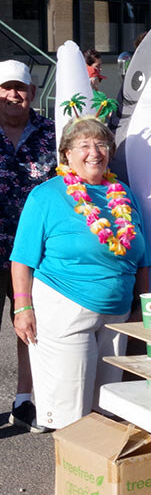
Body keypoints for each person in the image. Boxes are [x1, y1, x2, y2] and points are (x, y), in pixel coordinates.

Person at [10, 116, 150, 431]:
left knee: (107, 407)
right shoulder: (46, 195)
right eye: (83, 145)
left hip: (117, 315)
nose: (94, 152)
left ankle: (99, 476)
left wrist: (141, 307)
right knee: (71, 412)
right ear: (67, 155)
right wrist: (22, 307)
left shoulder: (123, 194)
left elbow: (143, 256)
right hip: (66, 310)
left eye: (101, 144)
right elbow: (22, 259)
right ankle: (75, 477)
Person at [0, 60, 57, 432]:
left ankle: (25, 401)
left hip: (36, 252)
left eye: (20, 88)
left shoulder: (52, 132)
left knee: (31, 326)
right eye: (5, 88)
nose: (12, 95)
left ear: (33, 93)